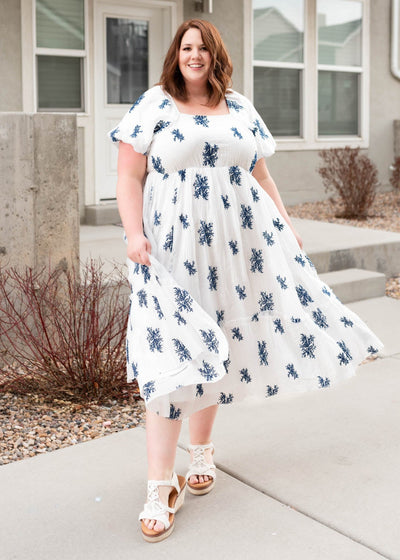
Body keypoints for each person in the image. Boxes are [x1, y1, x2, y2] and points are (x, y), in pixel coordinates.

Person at [109, 19, 383, 543]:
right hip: (169, 252)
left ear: (216, 56)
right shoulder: (154, 105)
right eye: (187, 47)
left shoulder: (238, 106)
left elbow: (259, 174)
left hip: (234, 251)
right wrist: (132, 234)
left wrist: (285, 225)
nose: (195, 56)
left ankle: (204, 451)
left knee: (219, 345)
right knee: (170, 359)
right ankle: (159, 485)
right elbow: (128, 174)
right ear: (176, 54)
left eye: (203, 48)